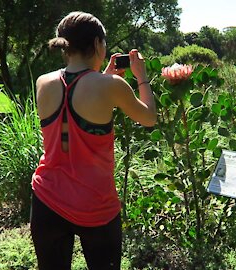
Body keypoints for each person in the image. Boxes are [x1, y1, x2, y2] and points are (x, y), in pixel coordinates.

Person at [31, 11, 156, 269]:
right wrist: (141, 76)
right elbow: (149, 118)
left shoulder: (43, 82)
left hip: (46, 199)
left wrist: (104, 74)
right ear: (98, 44)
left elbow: (78, 88)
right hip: (95, 205)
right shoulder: (110, 85)